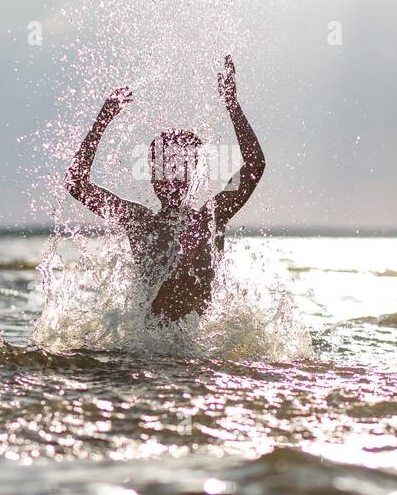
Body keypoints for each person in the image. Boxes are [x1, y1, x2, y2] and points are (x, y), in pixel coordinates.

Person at [65, 55, 265, 322]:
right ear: (152, 177)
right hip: (147, 349)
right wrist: (101, 122)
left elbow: (255, 163)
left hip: (197, 353)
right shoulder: (139, 221)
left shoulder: (212, 217)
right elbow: (75, 183)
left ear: (195, 172)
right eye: (164, 168)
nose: (173, 177)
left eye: (181, 167)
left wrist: (232, 106)